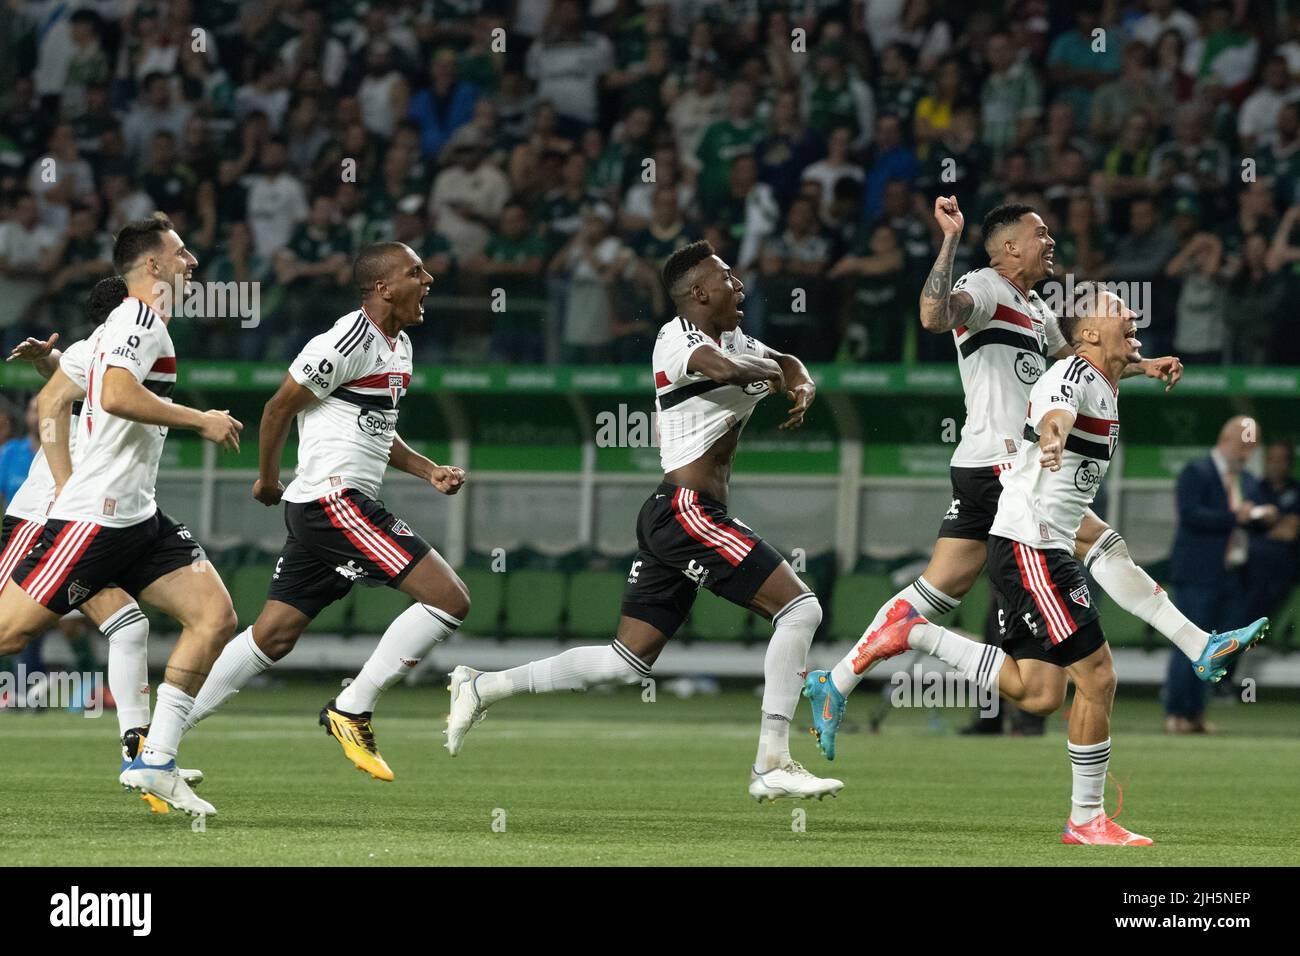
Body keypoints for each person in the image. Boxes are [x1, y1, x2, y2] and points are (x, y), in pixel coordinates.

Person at [818, 288, 1265, 844]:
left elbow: (1099, 379)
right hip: (1034, 550)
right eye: (1117, 311)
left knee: (1039, 693)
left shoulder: (1101, 376)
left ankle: (917, 633)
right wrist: (1052, 436)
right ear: (1090, 335)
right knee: (1098, 676)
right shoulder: (1070, 377)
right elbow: (1056, 408)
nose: (1131, 314)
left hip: (1035, 547)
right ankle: (1086, 819)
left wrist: (1144, 366)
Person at [445, 240, 843, 803]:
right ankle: (771, 762)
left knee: (624, 663)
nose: (741, 286)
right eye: (728, 278)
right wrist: (774, 376)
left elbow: (786, 364)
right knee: (801, 608)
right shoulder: (676, 338)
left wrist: (797, 381)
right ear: (699, 293)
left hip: (676, 515)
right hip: (686, 511)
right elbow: (727, 369)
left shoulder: (737, 338)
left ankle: (483, 686)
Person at [805, 199, 1193, 759]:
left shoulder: (1035, 309)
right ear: (1010, 247)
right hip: (1003, 464)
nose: (1050, 239)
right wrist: (949, 241)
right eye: (1040, 233)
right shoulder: (985, 285)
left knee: (935, 596)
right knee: (1101, 542)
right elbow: (935, 317)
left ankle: (836, 680)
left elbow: (1080, 360)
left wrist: (1143, 365)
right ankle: (1195, 642)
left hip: (988, 467)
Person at [177, 242, 470, 783]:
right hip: (336, 503)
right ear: (383, 288)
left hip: (327, 508)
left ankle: (160, 741)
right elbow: (278, 407)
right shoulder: (346, 338)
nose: (428, 279)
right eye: (415, 272)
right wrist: (267, 478)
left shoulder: (398, 345)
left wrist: (427, 470)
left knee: (274, 635)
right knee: (450, 600)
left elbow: (377, 429)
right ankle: (352, 707)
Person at [0, 217, 243, 817]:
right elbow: (113, 395)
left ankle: (154, 759)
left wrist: (63, 473)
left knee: (214, 617)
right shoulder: (137, 320)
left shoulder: (127, 325)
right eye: (181, 253)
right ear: (153, 267)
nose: (191, 263)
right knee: (9, 633)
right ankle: (146, 752)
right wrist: (201, 418)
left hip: (138, 516)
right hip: (96, 521)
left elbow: (57, 395)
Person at [1165, 416, 1277, 732]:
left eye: (1250, 449)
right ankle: (1176, 713)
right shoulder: (1196, 472)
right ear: (1225, 440)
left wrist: (1265, 517)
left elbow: (1253, 519)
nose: (1245, 454)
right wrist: (1234, 516)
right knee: (1189, 643)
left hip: (1234, 575)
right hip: (1198, 573)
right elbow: (1190, 515)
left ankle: (1197, 714)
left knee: (1217, 651)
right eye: (1242, 447)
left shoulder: (1249, 481)